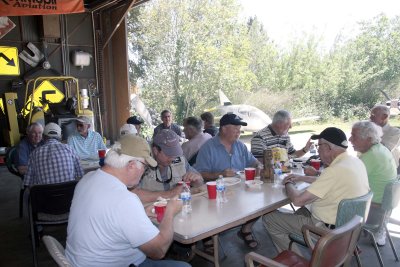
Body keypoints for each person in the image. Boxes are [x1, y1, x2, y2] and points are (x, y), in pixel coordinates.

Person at [65, 134, 190, 267]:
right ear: (131, 165)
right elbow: (158, 251)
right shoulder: (124, 200)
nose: (144, 172)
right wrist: (170, 211)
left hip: (78, 261)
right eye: (145, 167)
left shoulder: (87, 178)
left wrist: (141, 212)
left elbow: (108, 216)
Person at [263, 127, 369, 255]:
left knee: (269, 218)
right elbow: (330, 181)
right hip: (349, 228)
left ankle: (295, 260)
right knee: (301, 212)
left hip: (328, 231)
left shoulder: (334, 170)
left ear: (328, 147)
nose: (317, 151)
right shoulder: (354, 161)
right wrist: (301, 177)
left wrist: (288, 182)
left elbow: (297, 201)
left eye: (319, 146)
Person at [195, 113, 261, 249]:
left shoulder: (240, 146)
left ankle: (246, 229)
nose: (239, 132)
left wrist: (259, 166)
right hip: (217, 193)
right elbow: (200, 174)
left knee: (261, 204)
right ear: (224, 129)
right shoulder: (208, 148)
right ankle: (208, 235)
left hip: (241, 190)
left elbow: (254, 162)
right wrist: (220, 174)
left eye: (240, 129)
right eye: (236, 128)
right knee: (210, 207)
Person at [349, 120, 397, 246]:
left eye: (354, 136)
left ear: (369, 139)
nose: (350, 139)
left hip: (373, 210)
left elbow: (346, 180)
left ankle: (338, 244)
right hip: (383, 207)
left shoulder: (371, 155)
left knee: (325, 201)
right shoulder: (381, 149)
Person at [132, 129, 203, 203]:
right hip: (151, 210)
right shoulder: (142, 162)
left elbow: (199, 182)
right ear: (155, 150)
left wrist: (197, 180)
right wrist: (170, 194)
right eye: (168, 154)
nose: (172, 158)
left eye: (175, 152)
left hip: (177, 208)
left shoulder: (179, 158)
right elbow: (132, 193)